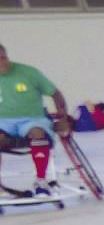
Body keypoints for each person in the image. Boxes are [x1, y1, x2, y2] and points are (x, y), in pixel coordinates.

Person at [0, 43, 70, 196]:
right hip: (3, 122)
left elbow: (55, 94)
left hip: (32, 119)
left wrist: (63, 118)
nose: (2, 63)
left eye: (3, 58)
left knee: (37, 132)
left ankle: (41, 180)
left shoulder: (29, 73)